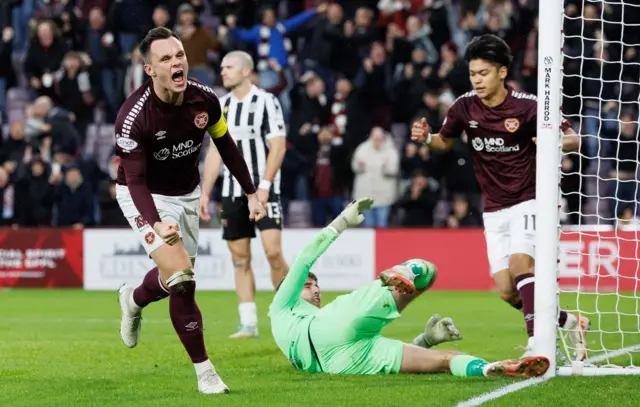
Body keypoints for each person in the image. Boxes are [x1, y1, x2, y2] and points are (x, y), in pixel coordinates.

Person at [410, 34, 588, 360]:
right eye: (473, 74)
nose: (477, 80)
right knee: (508, 291)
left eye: (484, 73)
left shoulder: (528, 105)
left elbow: (574, 139)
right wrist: (426, 139)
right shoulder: (464, 106)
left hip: (529, 198)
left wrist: (548, 143)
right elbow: (445, 142)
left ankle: (536, 347)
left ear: (501, 72)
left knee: (522, 265)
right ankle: (571, 322)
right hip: (493, 208)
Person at [114, 27, 266, 395]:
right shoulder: (133, 117)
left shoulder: (205, 99)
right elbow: (134, 181)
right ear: (150, 70)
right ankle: (205, 373)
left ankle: (133, 299)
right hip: (145, 195)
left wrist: (251, 192)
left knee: (175, 278)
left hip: (186, 193)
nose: (176, 62)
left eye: (179, 54)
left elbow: (226, 145)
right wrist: (156, 221)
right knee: (183, 280)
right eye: (165, 58)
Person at [269, 197, 551, 377]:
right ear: (290, 291)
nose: (315, 289)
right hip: (331, 332)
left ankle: (490, 368)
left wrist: (424, 341)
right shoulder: (282, 304)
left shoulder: (296, 322)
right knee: (428, 271)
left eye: (316, 285)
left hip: (340, 364)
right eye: (307, 286)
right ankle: (403, 271)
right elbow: (305, 258)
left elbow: (358, 343)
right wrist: (342, 221)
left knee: (443, 360)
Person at [200, 50, 289, 339]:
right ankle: (248, 323)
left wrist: (264, 185)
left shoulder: (266, 101)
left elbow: (278, 146)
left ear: (246, 71)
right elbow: (215, 152)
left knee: (273, 252)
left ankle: (290, 315)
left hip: (264, 191)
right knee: (240, 259)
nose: (222, 71)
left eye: (229, 67)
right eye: (222, 67)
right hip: (231, 192)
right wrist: (205, 193)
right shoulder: (221, 105)